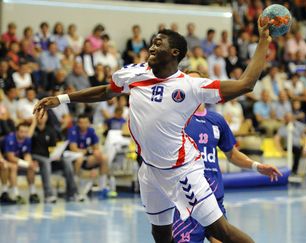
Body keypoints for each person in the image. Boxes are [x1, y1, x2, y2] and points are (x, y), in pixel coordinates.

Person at [34, 16, 273, 243]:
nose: (152, 46)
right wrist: (62, 98)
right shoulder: (133, 73)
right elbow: (106, 91)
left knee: (220, 231)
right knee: (160, 234)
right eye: (152, 42)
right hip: (149, 170)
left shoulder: (191, 86)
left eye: (159, 43)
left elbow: (246, 84)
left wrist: (262, 42)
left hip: (182, 171)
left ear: (174, 53)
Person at [172, 72, 282, 243]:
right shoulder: (176, 120)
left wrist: (257, 166)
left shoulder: (216, 120)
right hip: (188, 200)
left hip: (214, 200)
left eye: (196, 81)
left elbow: (232, 154)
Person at [66, 115, 114, 198]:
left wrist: (93, 151)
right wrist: (89, 150)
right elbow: (73, 148)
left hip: (87, 158)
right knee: (80, 159)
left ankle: (102, 187)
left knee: (104, 158)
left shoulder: (91, 131)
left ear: (89, 123)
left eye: (86, 122)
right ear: (78, 123)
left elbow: (96, 147)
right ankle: (75, 186)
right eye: (81, 123)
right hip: (75, 158)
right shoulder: (73, 131)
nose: (84, 125)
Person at [3, 123, 40, 204]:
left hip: (18, 161)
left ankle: (32, 192)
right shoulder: (10, 138)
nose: (24, 134)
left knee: (31, 167)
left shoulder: (27, 139)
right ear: (16, 131)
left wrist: (30, 163)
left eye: (26, 132)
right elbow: (10, 157)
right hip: (6, 161)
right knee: (14, 167)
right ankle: (16, 194)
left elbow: (27, 154)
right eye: (21, 132)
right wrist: (26, 164)